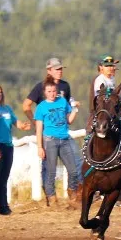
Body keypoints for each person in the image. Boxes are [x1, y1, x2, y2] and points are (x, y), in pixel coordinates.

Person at [23, 58, 82, 195]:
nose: (59, 71)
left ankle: (75, 192)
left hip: (63, 132)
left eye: (61, 68)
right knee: (49, 168)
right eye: (56, 69)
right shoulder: (40, 87)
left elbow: (67, 108)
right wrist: (36, 122)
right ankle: (50, 196)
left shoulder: (65, 86)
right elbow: (26, 105)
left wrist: (74, 110)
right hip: (48, 135)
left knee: (76, 163)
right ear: (49, 70)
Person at [35, 75, 80, 208]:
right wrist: (40, 147)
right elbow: (39, 128)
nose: (52, 94)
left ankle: (72, 193)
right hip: (50, 141)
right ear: (45, 92)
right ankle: (52, 198)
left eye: (54, 91)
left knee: (73, 170)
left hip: (64, 139)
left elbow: (69, 120)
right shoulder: (41, 107)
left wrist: (75, 109)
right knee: (51, 171)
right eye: (49, 91)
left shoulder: (62, 102)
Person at [0, 83, 31, 215]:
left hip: (8, 146)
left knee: (4, 178)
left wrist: (23, 126)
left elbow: (15, 121)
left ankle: (3, 206)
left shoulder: (6, 109)